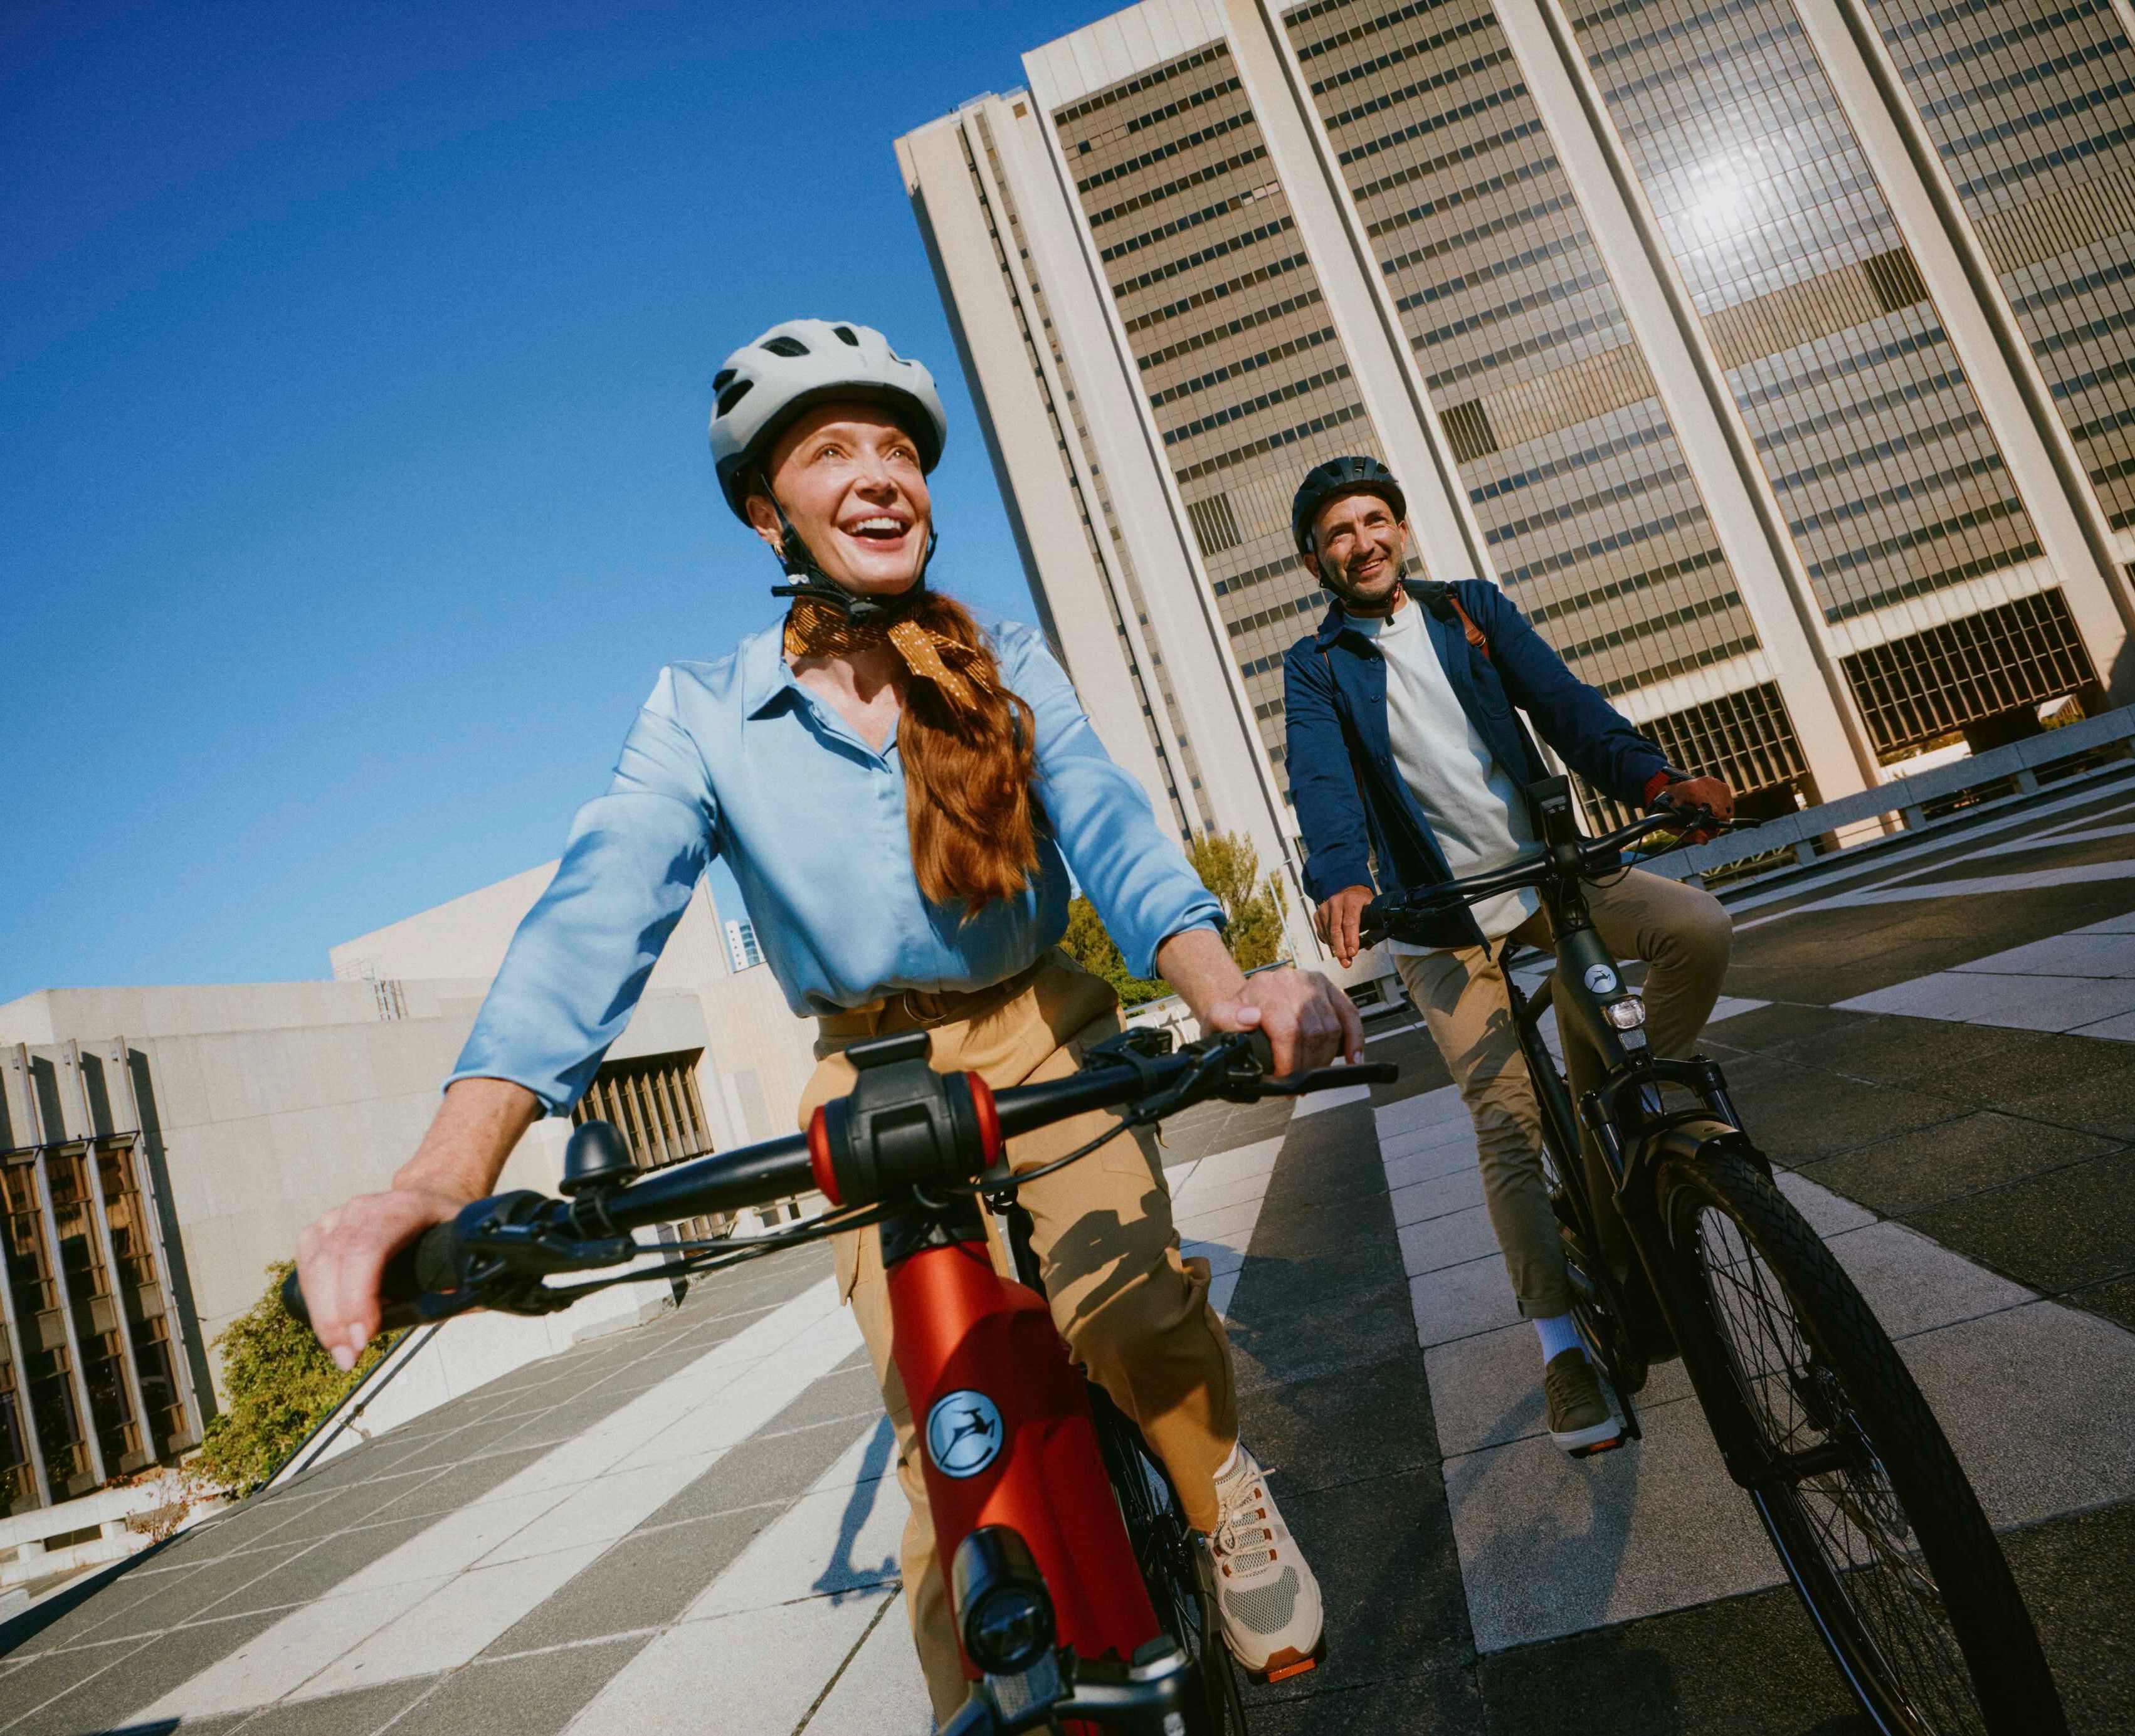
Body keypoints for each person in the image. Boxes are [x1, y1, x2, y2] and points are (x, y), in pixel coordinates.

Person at [294, 319, 1359, 1717]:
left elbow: (1110, 827)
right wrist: (442, 1178)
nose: (879, 476)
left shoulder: (1002, 656)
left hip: (1039, 1023)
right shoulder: (701, 716)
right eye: (831, 451)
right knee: (946, 1431)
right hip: (865, 1075)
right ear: (765, 510)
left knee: (1132, 1315)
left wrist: (1229, 993)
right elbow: (594, 913)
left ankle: (1220, 1490)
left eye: (900, 451)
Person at [1278, 456, 1733, 1453]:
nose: (1364, 541)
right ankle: (1563, 1346)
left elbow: (1565, 707)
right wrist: (1342, 876)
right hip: (1440, 917)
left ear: (1400, 528)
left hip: (1553, 877)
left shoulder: (1470, 610)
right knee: (1509, 1120)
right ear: (1315, 559)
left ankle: (1624, 1094)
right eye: (1340, 532)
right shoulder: (1316, 667)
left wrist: (1655, 779)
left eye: (1376, 519)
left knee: (1696, 930)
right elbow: (1321, 779)